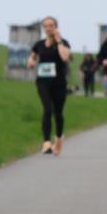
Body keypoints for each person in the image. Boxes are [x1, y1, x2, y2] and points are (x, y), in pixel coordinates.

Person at [27, 16, 71, 155]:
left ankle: (58, 139)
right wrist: (31, 61)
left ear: (56, 27)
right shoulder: (39, 44)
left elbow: (65, 57)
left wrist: (58, 42)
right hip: (43, 81)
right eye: (45, 26)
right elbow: (33, 56)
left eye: (51, 25)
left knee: (58, 113)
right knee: (47, 109)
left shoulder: (63, 43)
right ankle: (46, 142)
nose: (48, 28)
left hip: (59, 83)